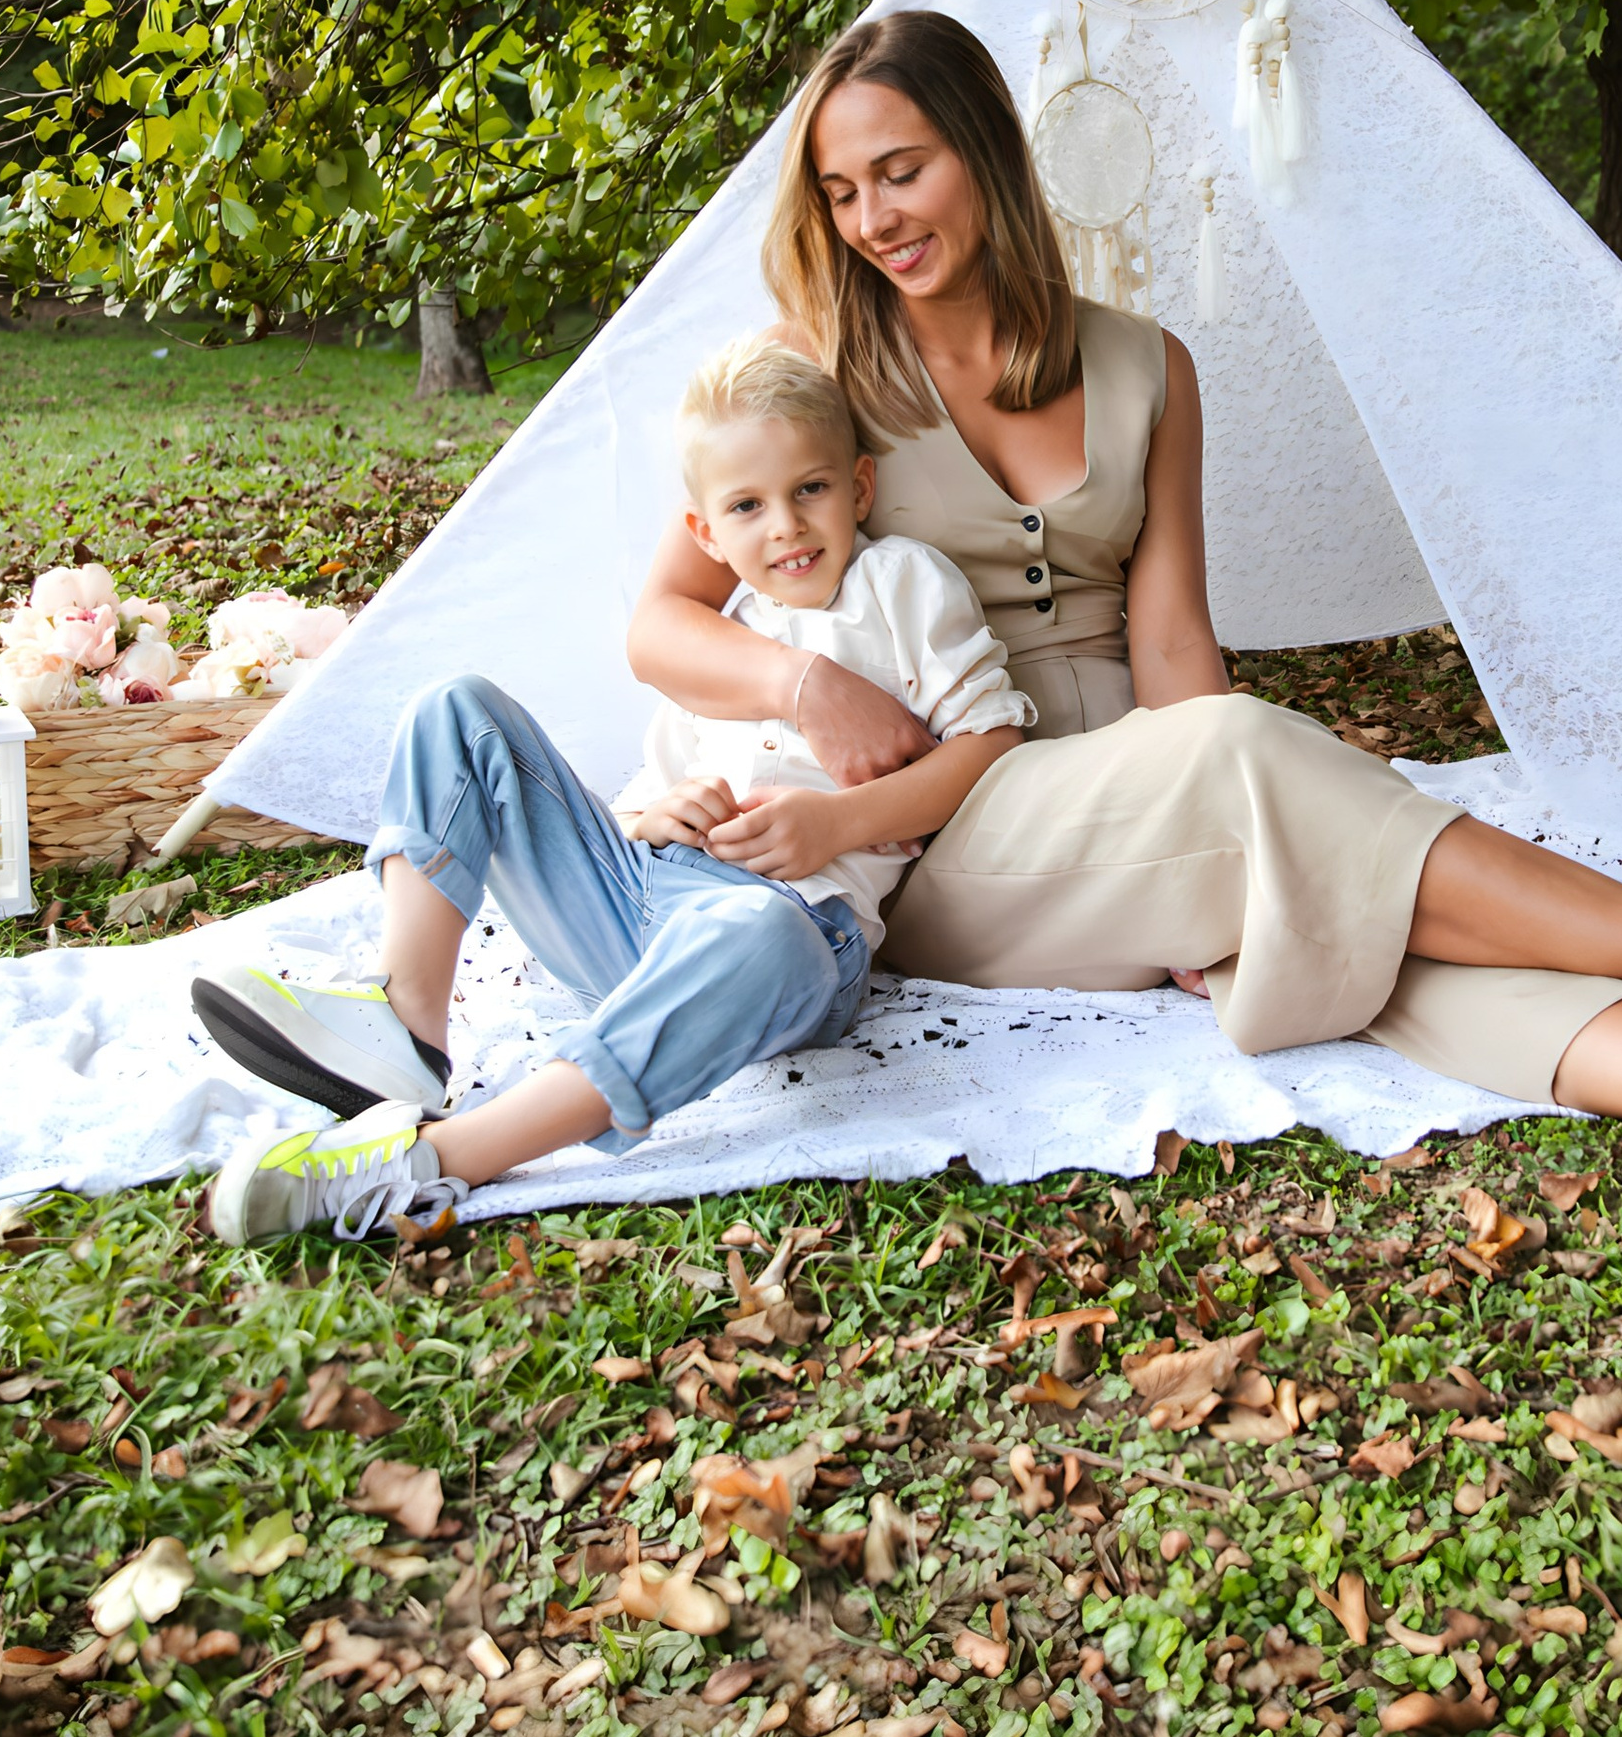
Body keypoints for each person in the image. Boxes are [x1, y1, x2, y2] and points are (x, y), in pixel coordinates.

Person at [627, 10, 1622, 1232]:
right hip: (948, 837)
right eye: (842, 191)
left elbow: (1174, 642)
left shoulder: (1147, 367)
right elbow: (661, 620)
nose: (877, 217)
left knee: (1324, 897)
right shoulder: (815, 381)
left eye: (903, 169)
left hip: (1147, 791)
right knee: (1257, 780)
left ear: (985, 154)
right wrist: (803, 693)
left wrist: (1199, 860)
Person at [197, 338, 1031, 1240]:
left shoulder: (901, 583)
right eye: (748, 505)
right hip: (642, 904)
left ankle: (432, 1159)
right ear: (705, 534)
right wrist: (651, 816)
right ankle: (406, 1025)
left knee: (761, 929)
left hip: (793, 936)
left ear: (860, 487)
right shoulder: (727, 635)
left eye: (811, 489)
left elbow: (995, 740)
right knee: (457, 711)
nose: (785, 525)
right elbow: (647, 791)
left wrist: (839, 822)